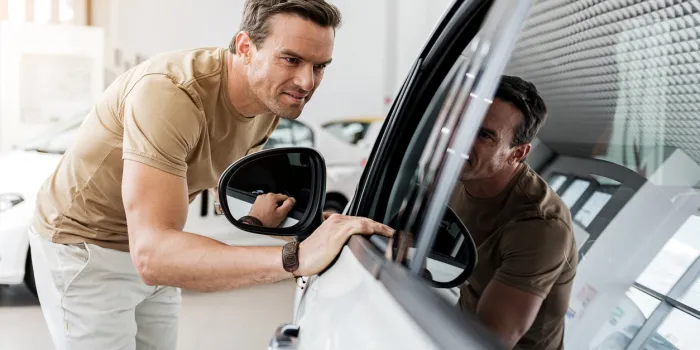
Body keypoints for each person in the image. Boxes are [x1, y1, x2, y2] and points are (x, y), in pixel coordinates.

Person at [27, 1, 393, 349]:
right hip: (85, 247)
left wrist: (264, 217)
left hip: (157, 244)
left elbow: (215, 185)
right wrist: (295, 257)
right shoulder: (171, 93)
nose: (307, 82)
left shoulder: (268, 101)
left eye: (320, 66)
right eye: (291, 60)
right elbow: (153, 255)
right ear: (245, 47)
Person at [449, 75, 578, 349]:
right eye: (462, 124)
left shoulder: (540, 225)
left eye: (484, 134)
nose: (462, 140)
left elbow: (486, 340)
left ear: (517, 154)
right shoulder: (456, 173)